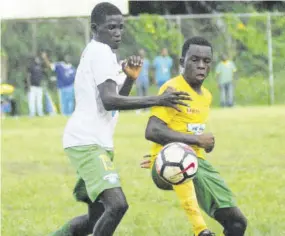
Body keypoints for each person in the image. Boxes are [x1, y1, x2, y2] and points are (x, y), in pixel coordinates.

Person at [50, 3, 190, 236]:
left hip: (98, 143)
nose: (117, 32)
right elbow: (109, 101)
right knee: (117, 205)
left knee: (94, 220)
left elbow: (114, 102)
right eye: (111, 27)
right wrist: (158, 99)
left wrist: (129, 80)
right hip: (86, 142)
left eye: (120, 27)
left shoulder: (103, 54)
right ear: (95, 28)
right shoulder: (100, 52)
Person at [142, 37, 247, 236]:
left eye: (206, 62)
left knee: (237, 223)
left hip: (200, 164)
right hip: (172, 163)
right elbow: (152, 131)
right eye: (194, 60)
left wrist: (202, 143)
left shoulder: (206, 95)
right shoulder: (172, 89)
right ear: (182, 62)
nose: (201, 66)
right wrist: (194, 141)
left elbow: (189, 130)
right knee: (178, 161)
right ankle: (201, 230)